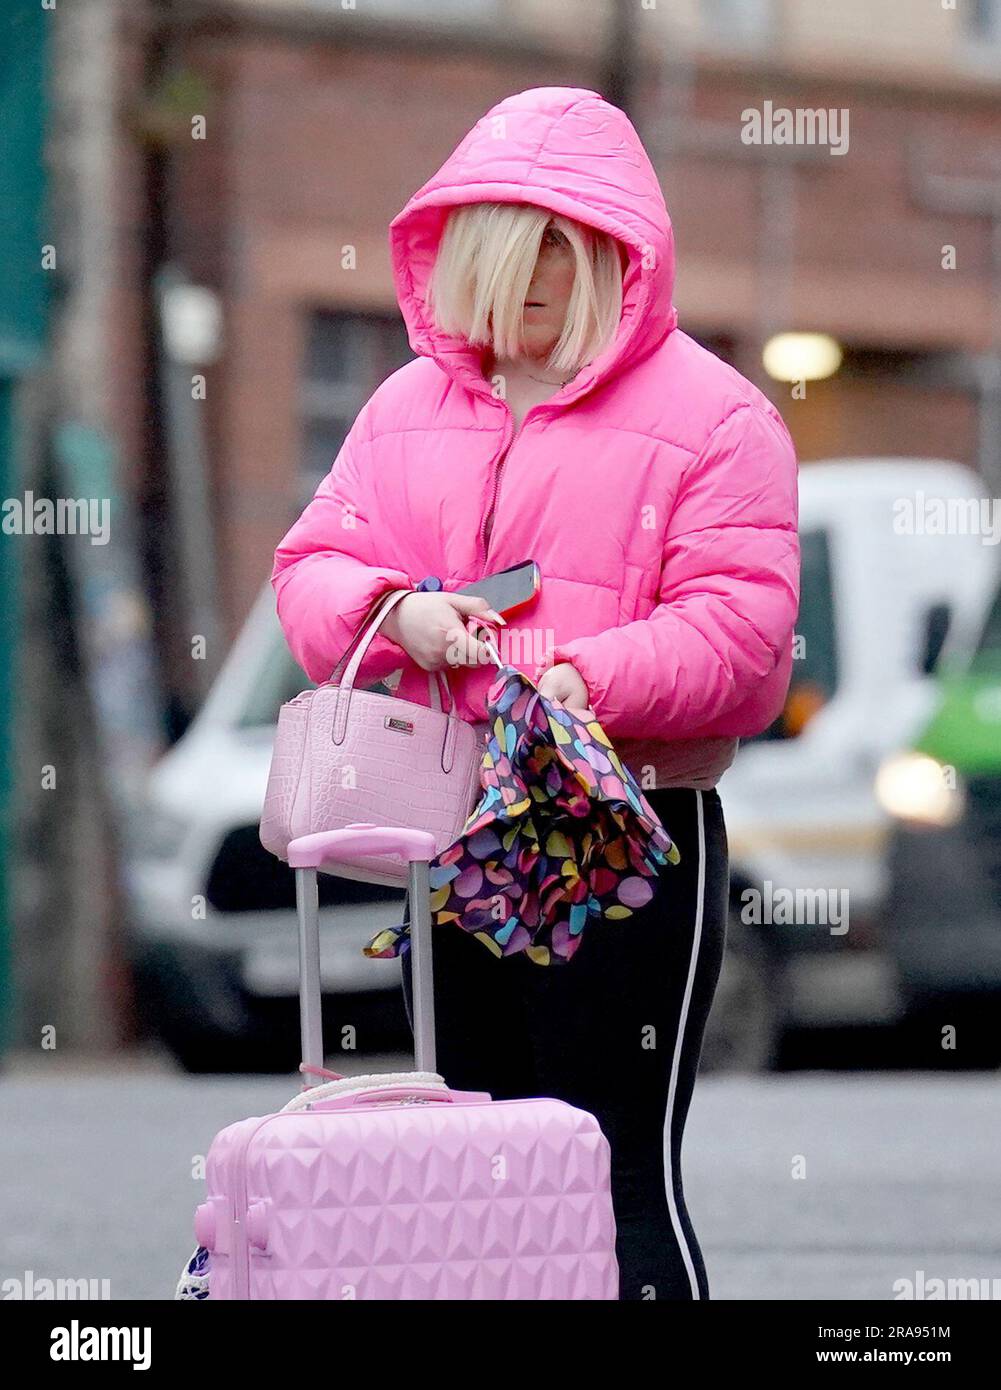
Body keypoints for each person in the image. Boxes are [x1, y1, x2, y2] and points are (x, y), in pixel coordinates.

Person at [271, 86, 800, 1300]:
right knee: (476, 1169)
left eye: (554, 256)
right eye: (503, 256)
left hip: (628, 828)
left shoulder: (716, 417)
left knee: (612, 1172)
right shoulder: (406, 408)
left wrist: (578, 678)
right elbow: (309, 569)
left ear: (616, 253)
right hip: (449, 836)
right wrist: (392, 609)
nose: (525, 290)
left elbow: (744, 638)